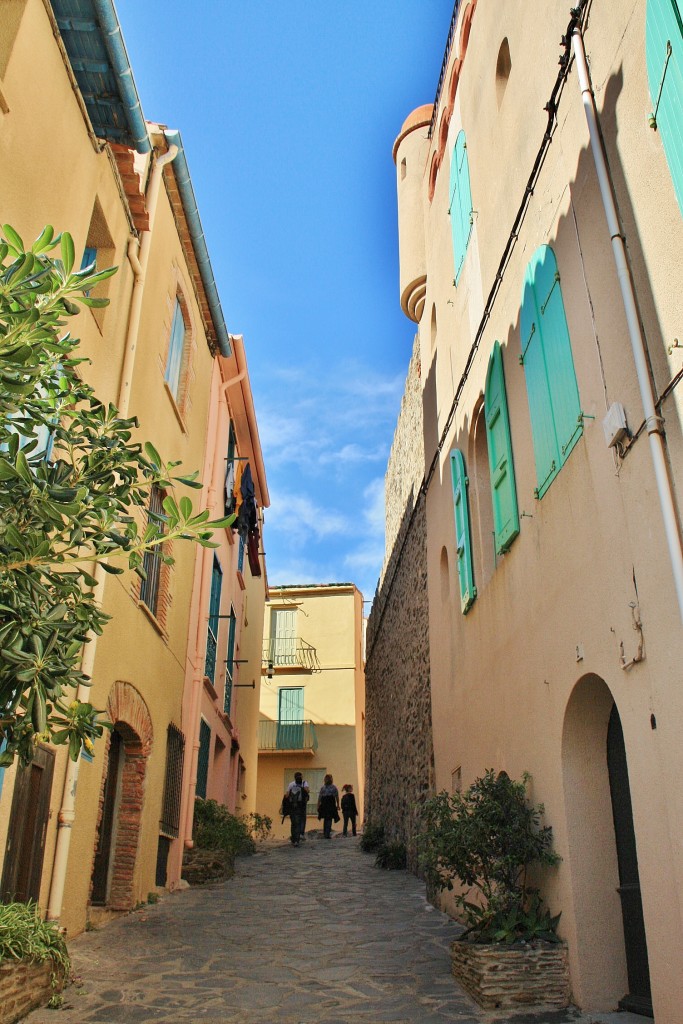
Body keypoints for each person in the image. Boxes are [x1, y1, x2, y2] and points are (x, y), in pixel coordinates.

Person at [284, 771, 309, 846]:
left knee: (293, 823)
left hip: (292, 806)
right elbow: (307, 792)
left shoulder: (291, 784)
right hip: (300, 806)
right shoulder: (304, 784)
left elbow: (287, 796)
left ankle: (293, 838)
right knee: (299, 822)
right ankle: (297, 840)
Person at [317, 774, 340, 839]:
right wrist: (338, 805)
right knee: (329, 819)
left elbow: (320, 797)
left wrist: (318, 805)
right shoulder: (334, 787)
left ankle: (326, 833)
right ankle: (327, 833)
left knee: (326, 819)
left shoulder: (323, 788)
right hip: (330, 804)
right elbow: (337, 797)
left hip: (324, 804)